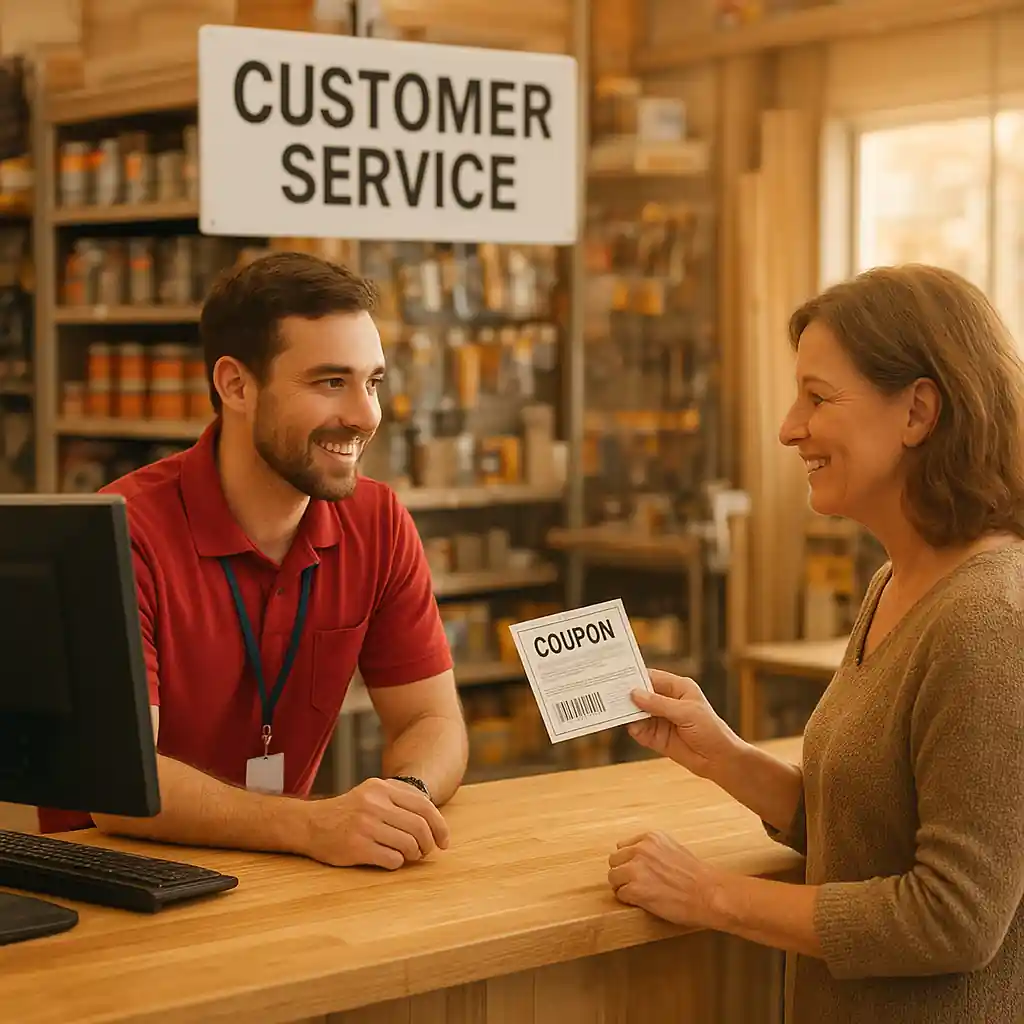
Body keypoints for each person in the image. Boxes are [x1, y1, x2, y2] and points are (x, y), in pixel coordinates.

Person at [606, 264, 1024, 1022]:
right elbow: (871, 834)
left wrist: (711, 895)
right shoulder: (897, 584)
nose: (788, 426)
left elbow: (954, 918)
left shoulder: (989, 619)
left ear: (918, 412)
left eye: (818, 397)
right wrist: (726, 759)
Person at [39, 252, 469, 871]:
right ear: (236, 386)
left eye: (371, 381)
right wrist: (313, 824)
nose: (365, 414)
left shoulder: (378, 521)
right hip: (116, 883)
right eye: (330, 382)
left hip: (277, 870)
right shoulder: (120, 530)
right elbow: (121, 792)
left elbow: (431, 718)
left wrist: (406, 799)